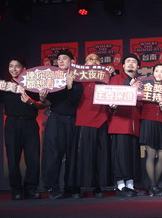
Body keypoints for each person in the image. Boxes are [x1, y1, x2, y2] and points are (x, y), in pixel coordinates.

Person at [0, 57, 44, 200]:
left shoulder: (33, 85)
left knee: (33, 160)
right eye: (11, 66)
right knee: (13, 159)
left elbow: (43, 105)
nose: (14, 69)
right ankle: (16, 190)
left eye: (17, 66)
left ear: (24, 69)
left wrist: (31, 102)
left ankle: (30, 189)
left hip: (30, 124)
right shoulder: (5, 87)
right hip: (12, 124)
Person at [67, 54, 114, 198]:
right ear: (84, 64)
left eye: (96, 60)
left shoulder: (107, 79)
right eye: (89, 59)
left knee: (100, 156)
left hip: (102, 120)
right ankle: (79, 187)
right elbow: (72, 100)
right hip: (84, 120)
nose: (92, 62)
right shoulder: (77, 80)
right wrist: (69, 85)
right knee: (82, 156)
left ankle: (98, 186)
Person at [39, 50, 82, 199]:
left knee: (73, 155)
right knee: (53, 154)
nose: (61, 61)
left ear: (72, 60)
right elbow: (48, 102)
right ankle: (53, 188)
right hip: (56, 119)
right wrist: (43, 98)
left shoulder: (78, 78)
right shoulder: (52, 78)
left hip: (73, 120)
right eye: (59, 59)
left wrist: (69, 86)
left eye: (65, 58)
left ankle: (71, 187)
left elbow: (76, 100)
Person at [108, 54, 143, 197]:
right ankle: (120, 186)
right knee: (120, 155)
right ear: (122, 65)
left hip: (134, 124)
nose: (130, 64)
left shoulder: (140, 82)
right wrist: (129, 88)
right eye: (127, 62)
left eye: (134, 62)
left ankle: (130, 185)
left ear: (138, 66)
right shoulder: (115, 79)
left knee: (132, 156)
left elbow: (141, 103)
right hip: (120, 123)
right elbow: (110, 100)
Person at [139, 63, 162, 197]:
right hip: (148, 121)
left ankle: (154, 186)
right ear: (152, 72)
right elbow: (138, 103)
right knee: (150, 154)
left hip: (160, 123)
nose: (159, 73)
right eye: (156, 70)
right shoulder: (145, 87)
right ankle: (153, 186)